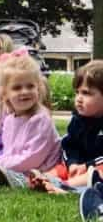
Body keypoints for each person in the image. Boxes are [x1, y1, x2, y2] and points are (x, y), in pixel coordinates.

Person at [29, 60, 103, 193]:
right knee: (58, 169)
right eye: (77, 92)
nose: (79, 98)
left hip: (94, 169)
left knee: (99, 172)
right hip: (77, 167)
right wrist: (72, 164)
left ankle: (65, 187)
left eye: (86, 93)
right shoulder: (78, 121)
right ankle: (43, 179)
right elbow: (69, 146)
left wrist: (87, 166)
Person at [0, 54, 61, 176]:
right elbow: (8, 152)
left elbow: (32, 159)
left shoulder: (41, 120)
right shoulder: (9, 120)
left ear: (38, 88)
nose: (24, 91)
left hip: (42, 172)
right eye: (17, 88)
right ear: (5, 93)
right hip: (17, 170)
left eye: (30, 86)